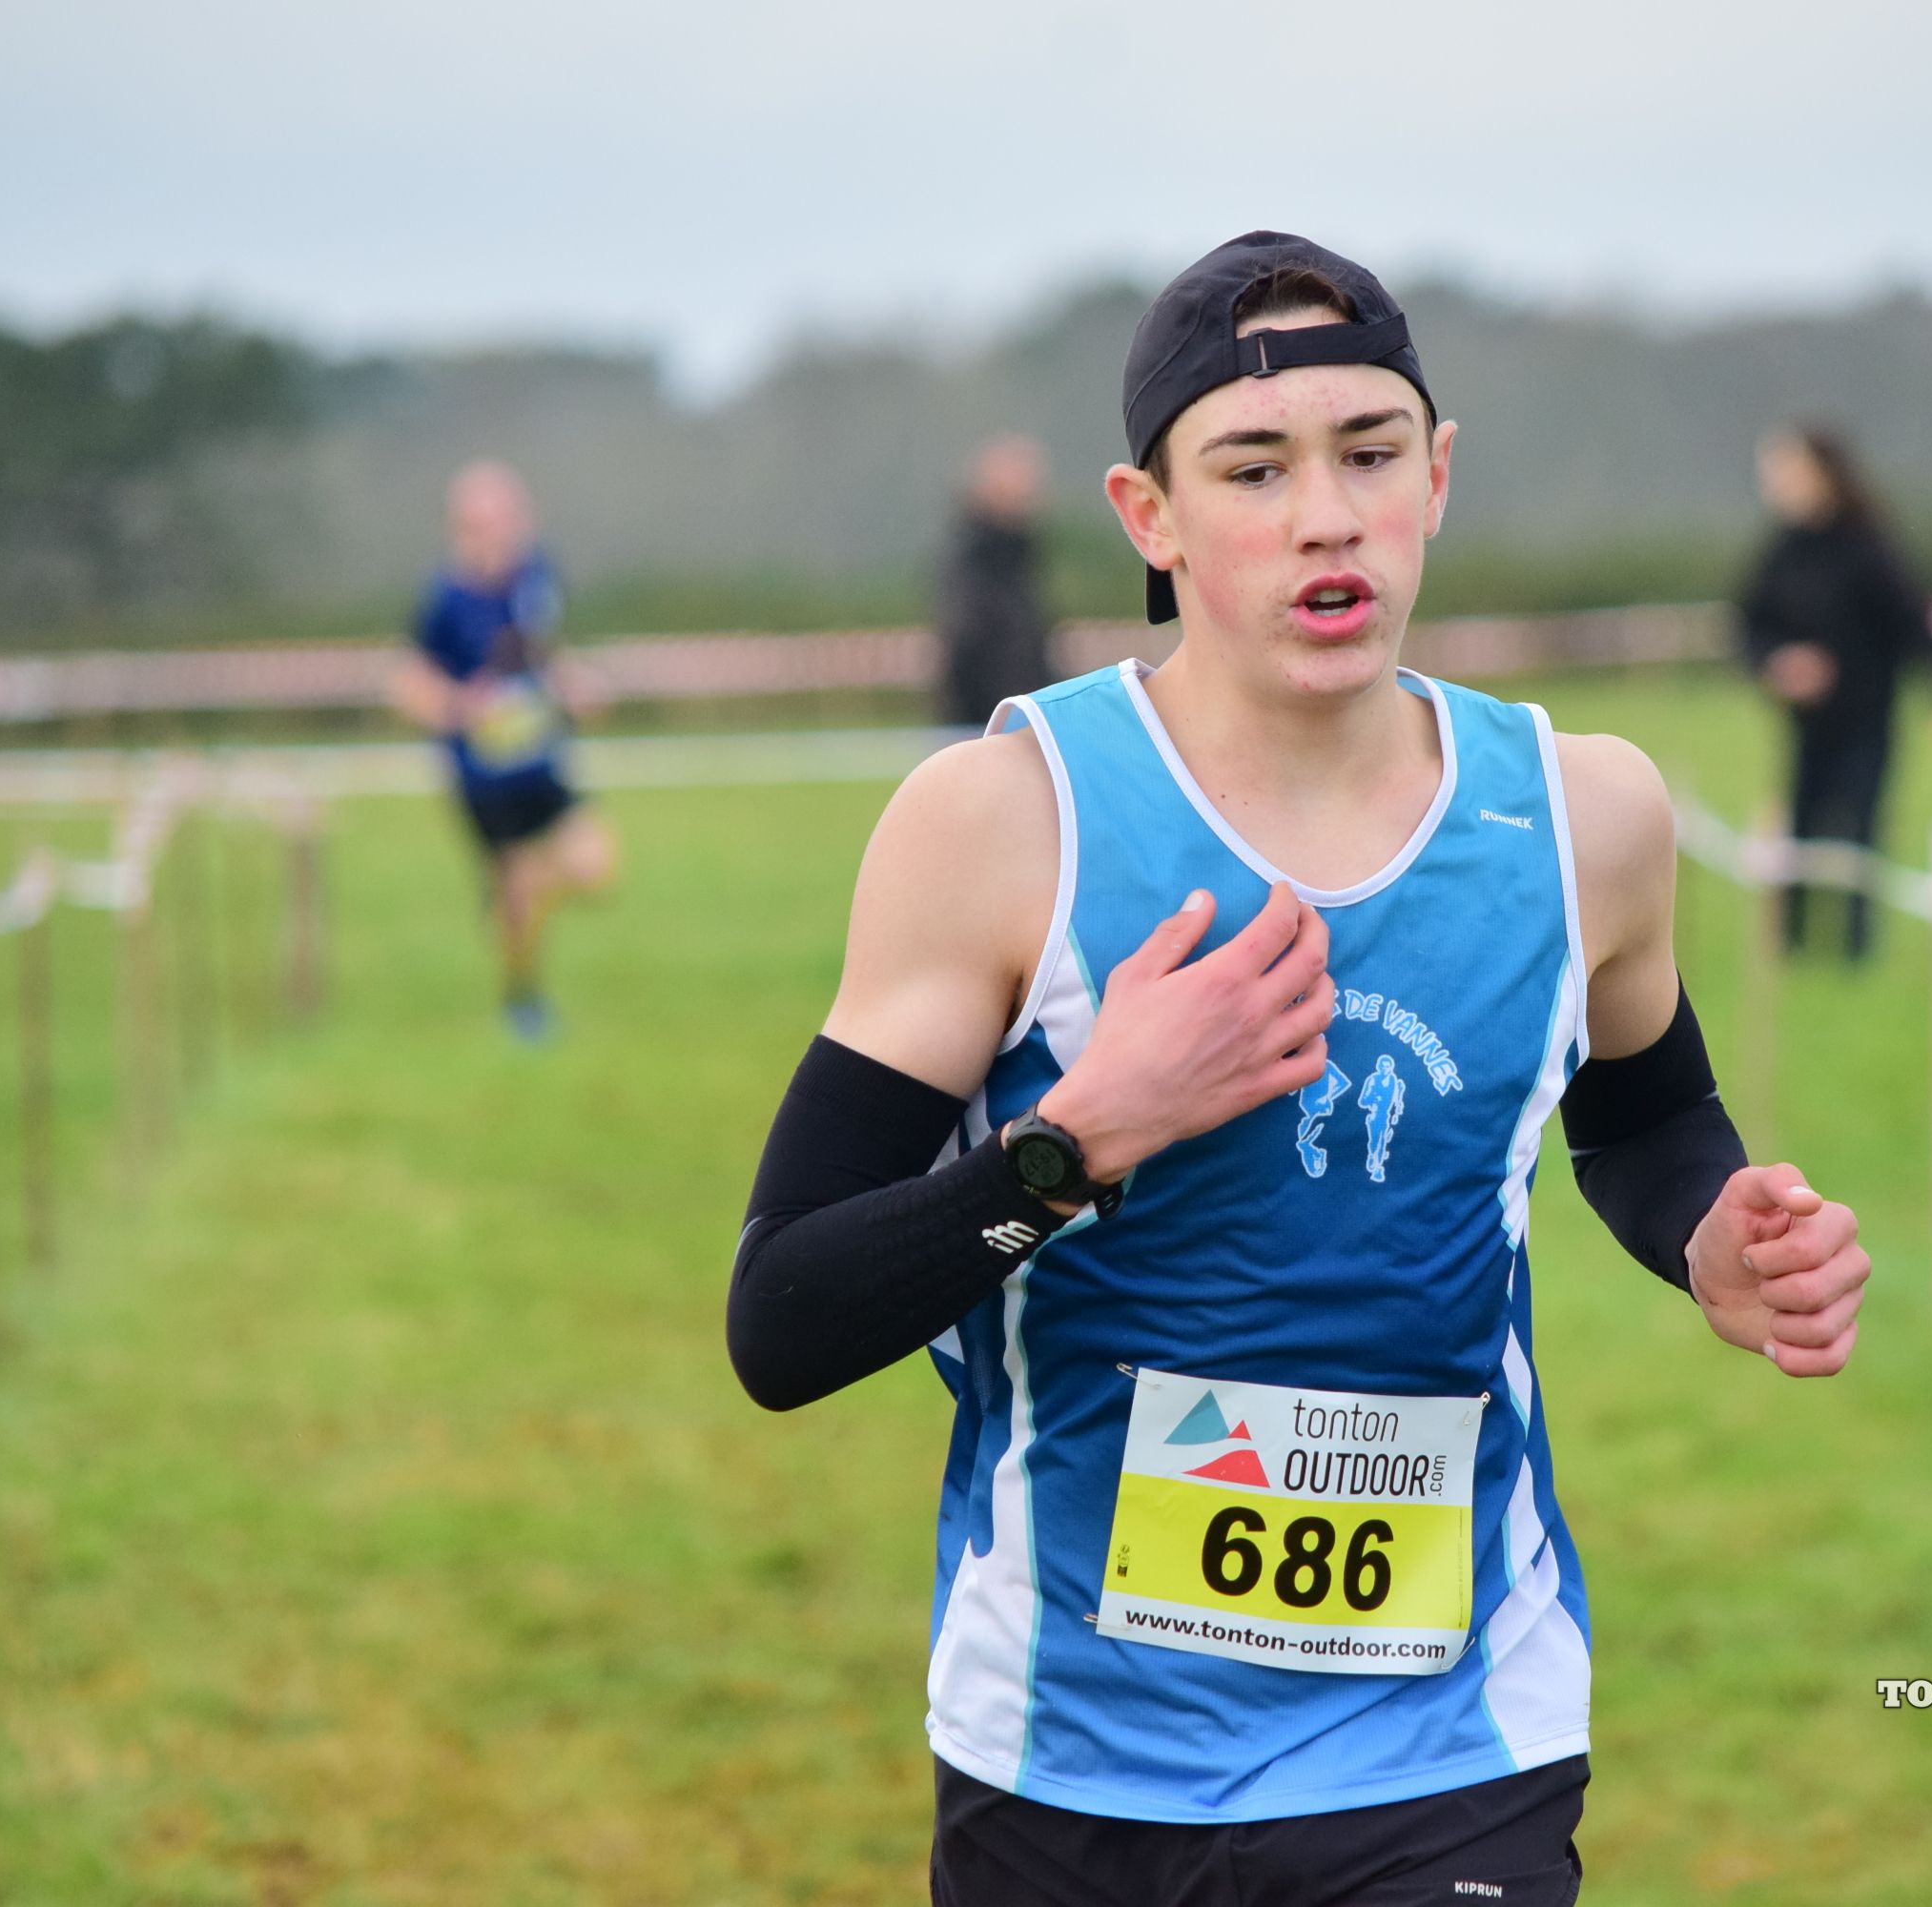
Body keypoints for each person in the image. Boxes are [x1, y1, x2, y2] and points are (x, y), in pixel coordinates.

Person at [727, 233, 1872, 1905]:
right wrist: (1078, 1140)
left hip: (1450, 1749)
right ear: (1151, 517)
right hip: (1069, 1761)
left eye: (1369, 454)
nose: (1326, 517)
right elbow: (783, 1318)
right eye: (1255, 469)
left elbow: (1647, 1118)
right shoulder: (1003, 823)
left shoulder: (1585, 817)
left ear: (1438, 476)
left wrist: (1712, 1233)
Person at [391, 460, 618, 1040]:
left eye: (511, 517)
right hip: (483, 777)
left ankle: (512, 894)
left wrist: (576, 685)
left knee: (596, 868)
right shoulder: (444, 599)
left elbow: (545, 655)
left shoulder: (537, 576)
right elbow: (407, 682)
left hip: (542, 763)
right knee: (518, 903)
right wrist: (461, 708)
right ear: (463, 529)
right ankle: (523, 998)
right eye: (487, 522)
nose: (504, 531)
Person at [1733, 425, 1932, 961]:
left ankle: (1856, 954)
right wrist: (1778, 663)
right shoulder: (1782, 550)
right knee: (1800, 833)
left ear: (1822, 474)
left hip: (1866, 722)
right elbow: (1748, 626)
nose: (1776, 485)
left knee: (1860, 835)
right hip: (1807, 727)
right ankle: (1791, 948)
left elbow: (1917, 622)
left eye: (1787, 472)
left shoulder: (1867, 545)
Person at [935, 433, 1057, 728]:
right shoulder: (975, 560)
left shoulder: (1020, 555)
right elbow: (969, 646)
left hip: (1022, 713)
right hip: (987, 720)